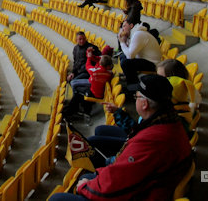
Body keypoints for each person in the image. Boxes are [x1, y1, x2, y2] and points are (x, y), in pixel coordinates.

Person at [51, 75, 192, 201]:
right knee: (89, 165)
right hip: (148, 184)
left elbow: (114, 185)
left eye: (136, 97)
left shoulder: (153, 140)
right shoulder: (167, 120)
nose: (135, 99)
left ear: (145, 104)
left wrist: (85, 187)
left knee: (58, 198)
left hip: (141, 193)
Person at [62, 51, 113, 120]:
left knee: (77, 92)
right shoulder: (109, 73)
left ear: (100, 63)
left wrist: (89, 58)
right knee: (78, 91)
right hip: (98, 90)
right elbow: (99, 60)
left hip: (94, 93)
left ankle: (76, 112)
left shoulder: (96, 71)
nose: (99, 59)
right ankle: (76, 109)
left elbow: (88, 66)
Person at [117, 19, 162, 86]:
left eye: (124, 26)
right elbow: (129, 52)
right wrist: (125, 42)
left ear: (131, 25)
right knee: (122, 56)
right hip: (145, 60)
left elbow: (130, 56)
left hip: (153, 63)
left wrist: (122, 43)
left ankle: (133, 85)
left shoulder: (138, 34)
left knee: (126, 63)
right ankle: (128, 77)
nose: (122, 29)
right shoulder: (136, 34)